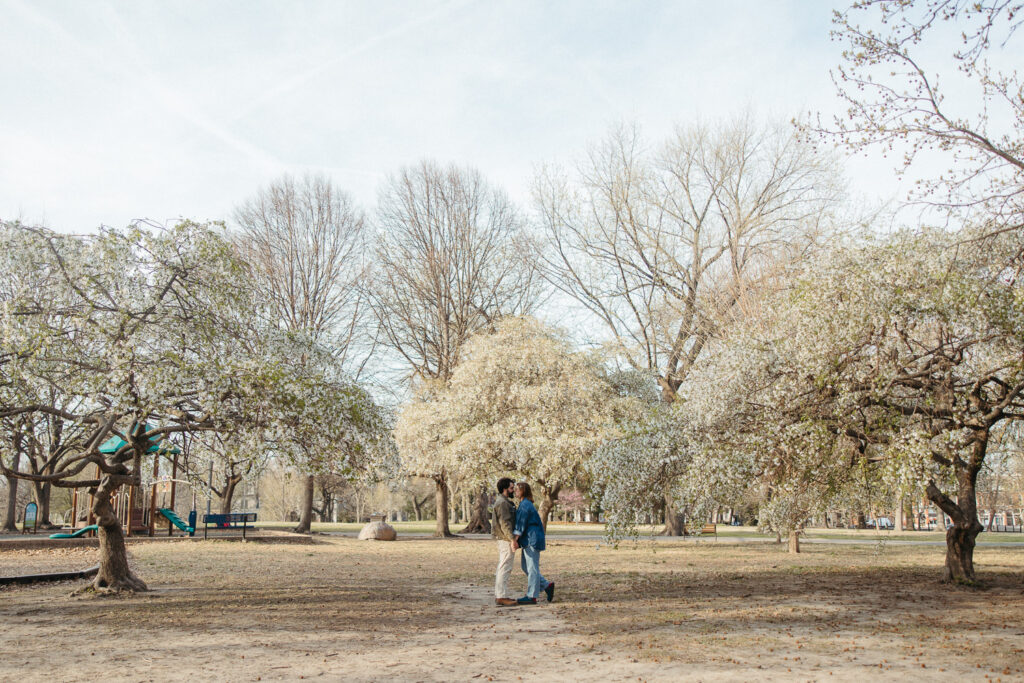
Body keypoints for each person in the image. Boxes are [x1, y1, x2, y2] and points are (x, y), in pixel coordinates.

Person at [511, 481, 554, 605]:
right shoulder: (525, 504)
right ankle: (547, 585)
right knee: (526, 567)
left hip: (532, 540)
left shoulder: (525, 505)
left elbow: (520, 525)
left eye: (517, 489)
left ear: (523, 490)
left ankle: (532, 596)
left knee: (532, 568)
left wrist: (514, 540)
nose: (515, 491)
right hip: (529, 540)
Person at [492, 477, 519, 607]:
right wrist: (512, 540)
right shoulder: (503, 503)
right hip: (505, 539)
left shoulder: (503, 502)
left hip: (504, 538)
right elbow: (505, 524)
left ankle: (501, 594)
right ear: (505, 489)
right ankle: (501, 596)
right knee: (505, 566)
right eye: (511, 488)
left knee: (503, 566)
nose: (513, 490)